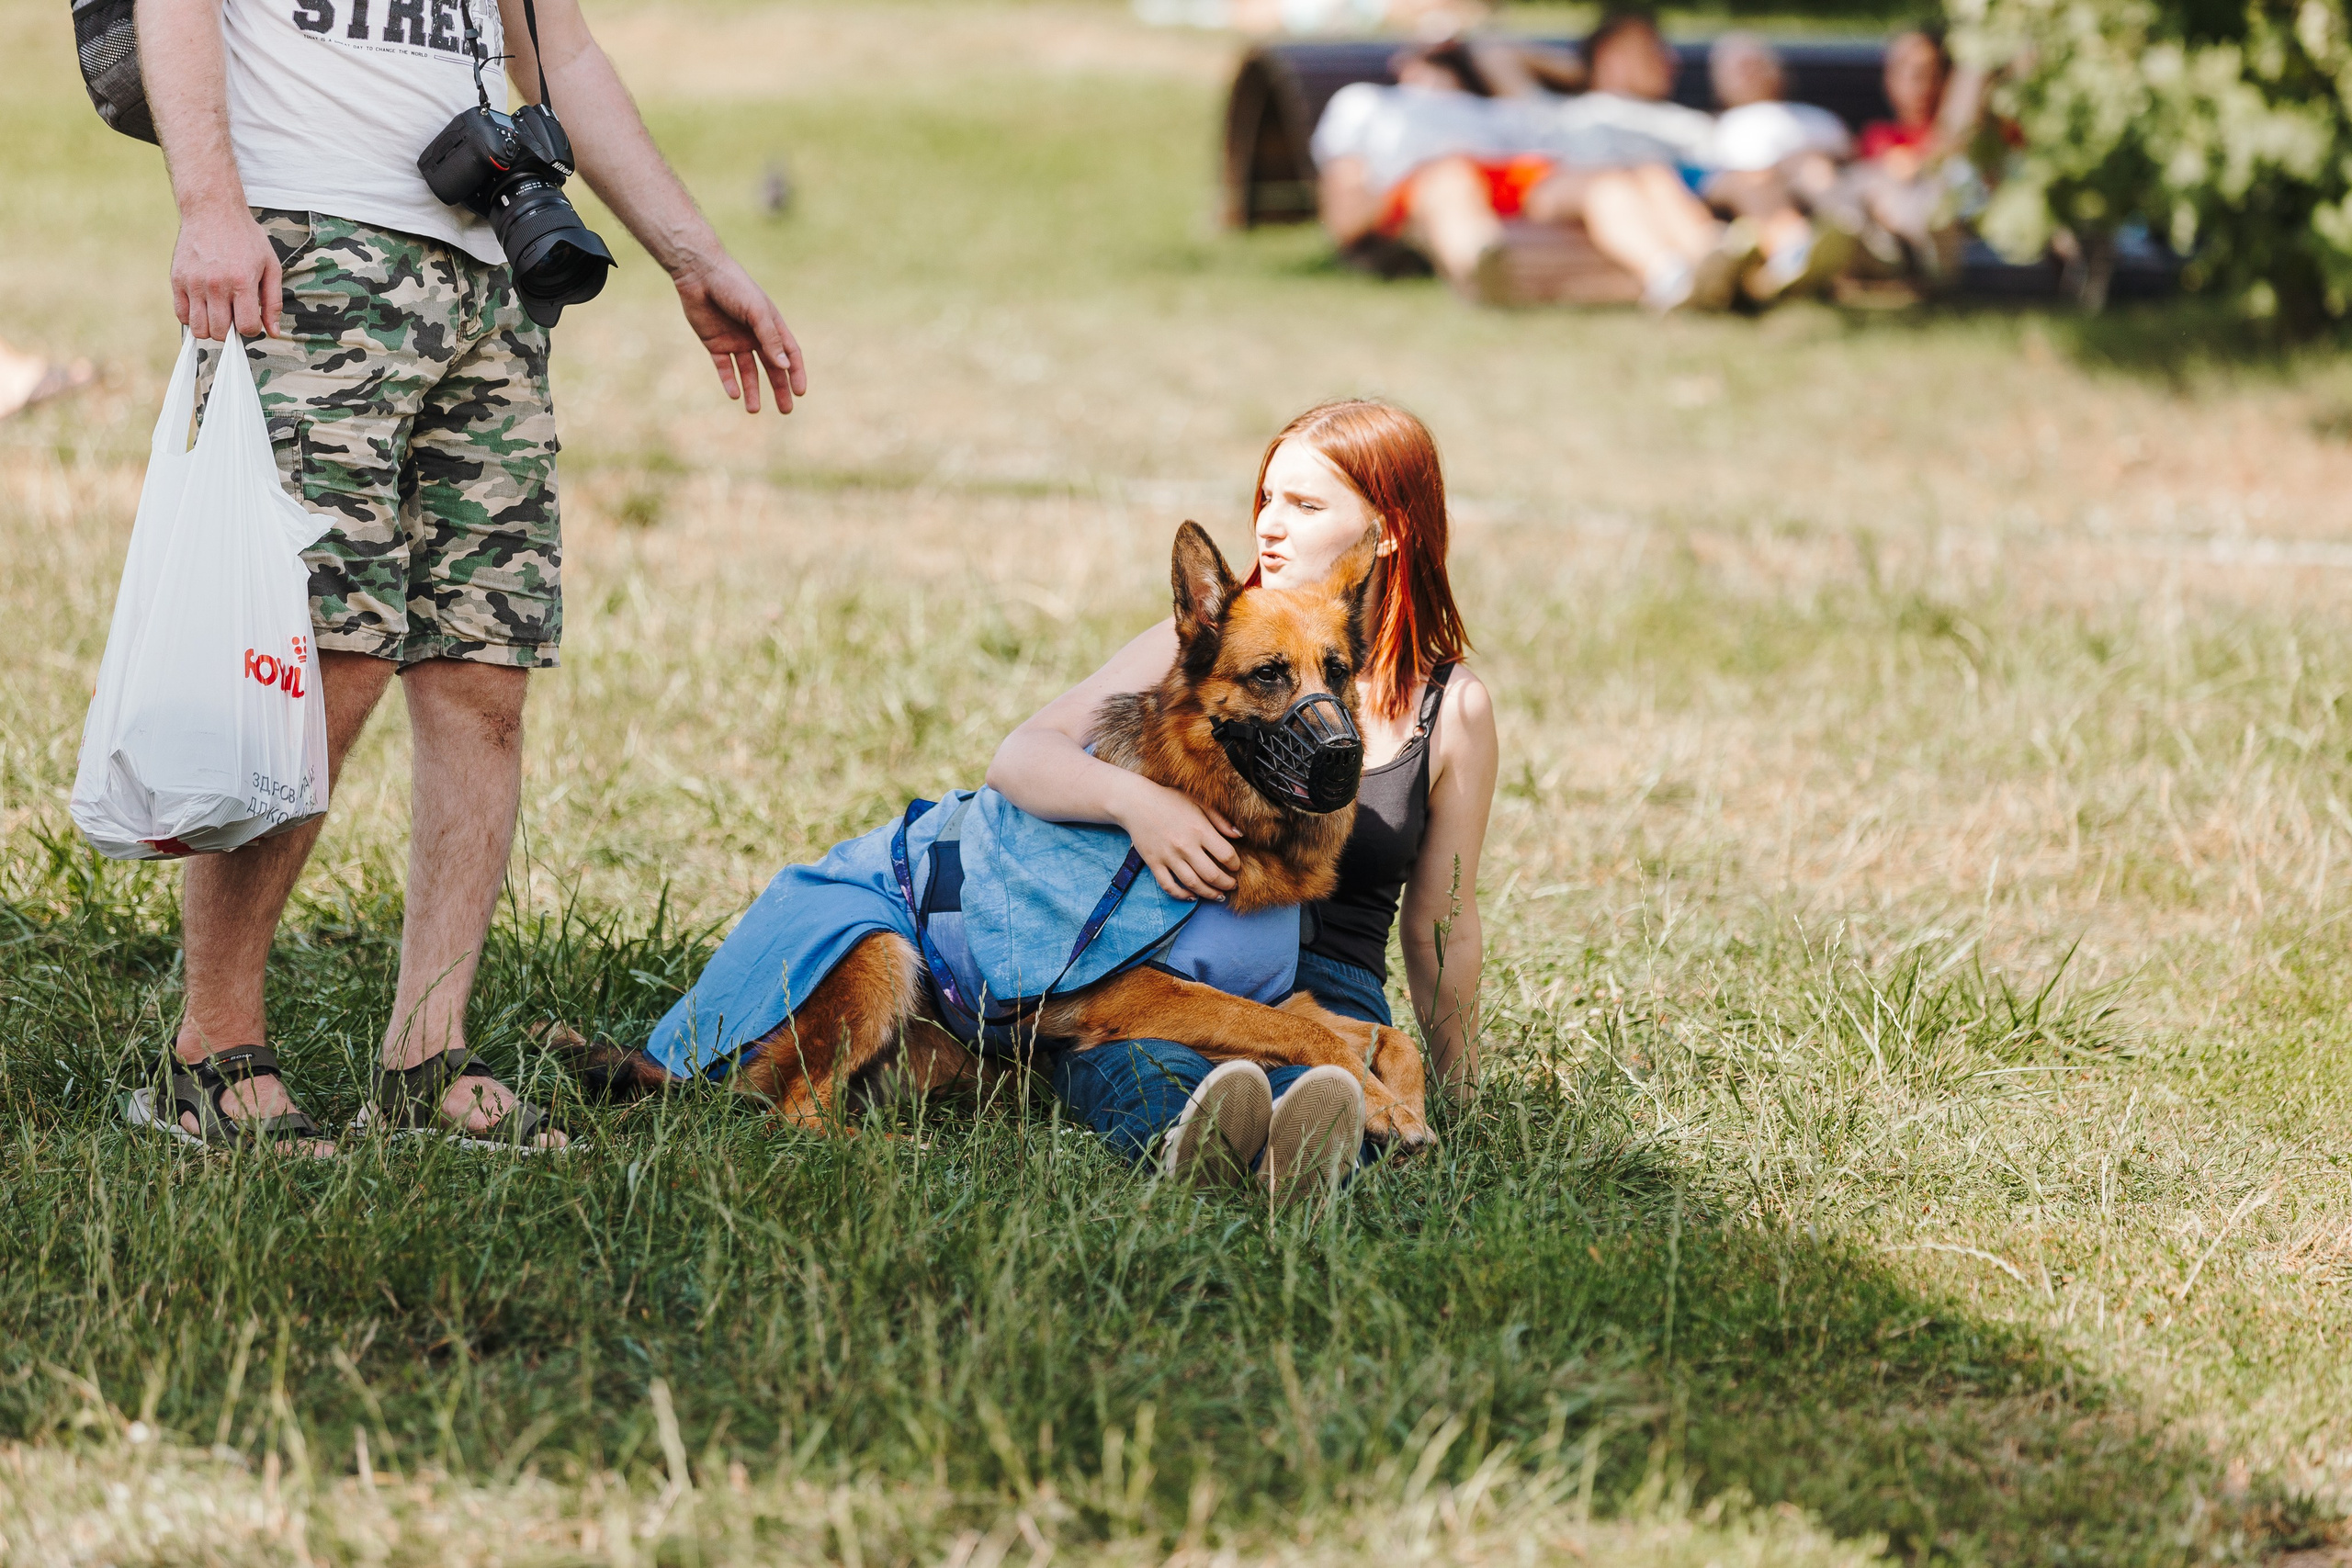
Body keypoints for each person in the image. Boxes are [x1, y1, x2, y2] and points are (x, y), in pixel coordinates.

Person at [130, 0, 806, 1154]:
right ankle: (213, 1050)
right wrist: (210, 207)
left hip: (491, 276)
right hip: (311, 252)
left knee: (482, 668)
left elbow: (561, 51)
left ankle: (427, 1054)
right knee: (326, 656)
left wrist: (696, 258)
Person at [985, 400, 1498, 1193]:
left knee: (1333, 1080)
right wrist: (1139, 805)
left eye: (1305, 505)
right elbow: (1019, 756)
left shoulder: (1452, 707)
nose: (1269, 526)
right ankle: (1196, 1145)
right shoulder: (1206, 645)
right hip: (1178, 955)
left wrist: (1460, 1097)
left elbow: (1443, 926)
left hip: (1330, 981)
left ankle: (1293, 1148)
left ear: (1384, 534)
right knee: (1138, 1058)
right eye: (1266, 498)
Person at [1314, 11, 1756, 310]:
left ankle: (1677, 275)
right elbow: (1345, 204)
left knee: (1613, 181)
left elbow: (1572, 72)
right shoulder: (1367, 103)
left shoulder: (1495, 109)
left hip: (1518, 182)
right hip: (1427, 187)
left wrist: (1475, 41)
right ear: (1400, 58)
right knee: (1451, 178)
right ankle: (1485, 272)